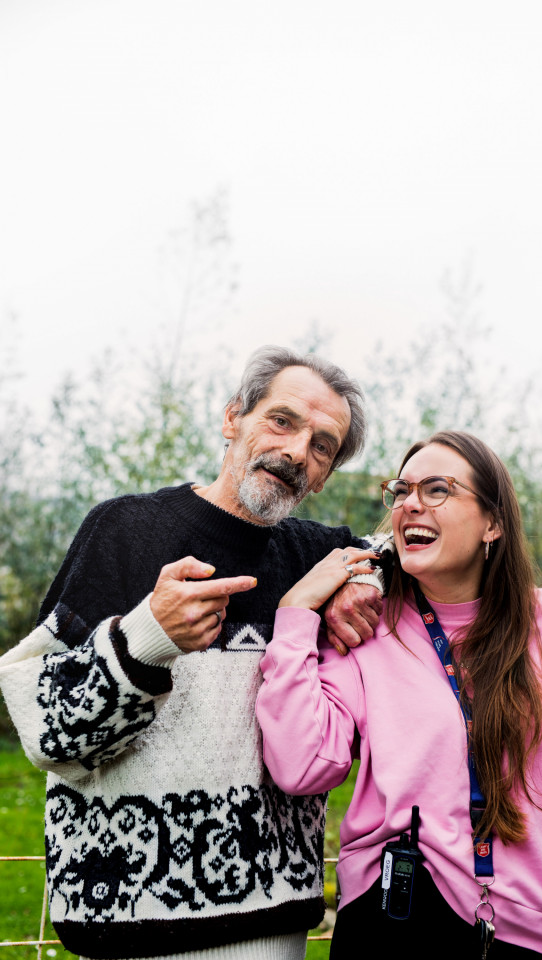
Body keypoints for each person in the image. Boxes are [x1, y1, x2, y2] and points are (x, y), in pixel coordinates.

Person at [0, 345, 386, 960]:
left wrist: (365, 582)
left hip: (275, 928)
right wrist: (145, 638)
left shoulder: (320, 556)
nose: (295, 452)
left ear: (325, 474)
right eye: (281, 421)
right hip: (126, 929)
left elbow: (400, 550)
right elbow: (47, 734)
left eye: (321, 446)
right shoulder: (122, 531)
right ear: (233, 417)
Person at [256, 430, 542, 959]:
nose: (409, 504)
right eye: (401, 490)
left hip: (530, 934)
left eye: (436, 490)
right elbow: (301, 765)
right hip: (392, 921)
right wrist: (294, 618)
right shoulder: (365, 624)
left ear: (493, 523)